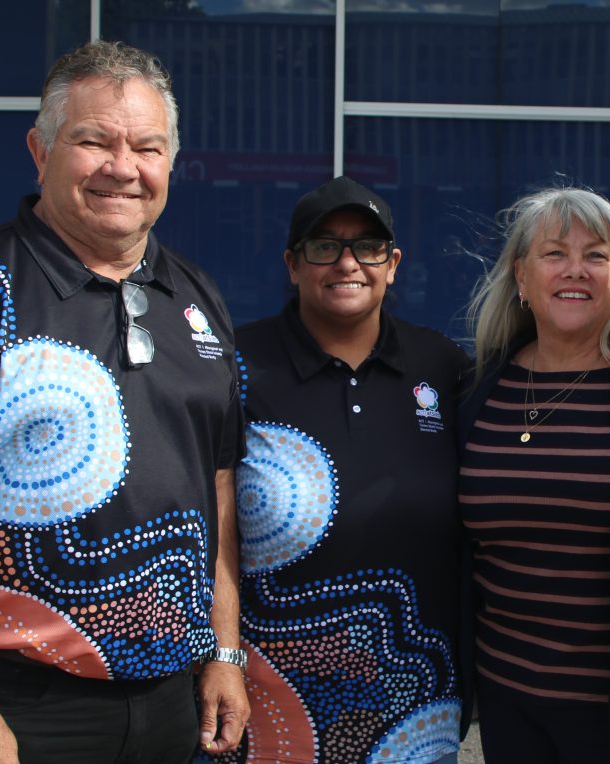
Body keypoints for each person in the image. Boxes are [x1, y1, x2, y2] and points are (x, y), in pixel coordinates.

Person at [0, 40, 248, 763]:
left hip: (173, 703)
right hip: (25, 707)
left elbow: (214, 486)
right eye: (93, 140)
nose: (123, 168)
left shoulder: (195, 296)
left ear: (171, 163)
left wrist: (224, 651)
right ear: (40, 151)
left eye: (147, 147)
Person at [224, 175, 469, 764]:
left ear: (393, 264)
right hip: (272, 703)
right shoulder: (237, 367)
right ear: (293, 263)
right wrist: (222, 658)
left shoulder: (442, 366)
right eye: (324, 245)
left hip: (417, 701)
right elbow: (213, 532)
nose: (347, 262)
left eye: (368, 246)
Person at [459, 187, 610, 763]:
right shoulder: (481, 390)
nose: (575, 270)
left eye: (596, 255)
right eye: (554, 254)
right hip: (506, 704)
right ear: (521, 277)